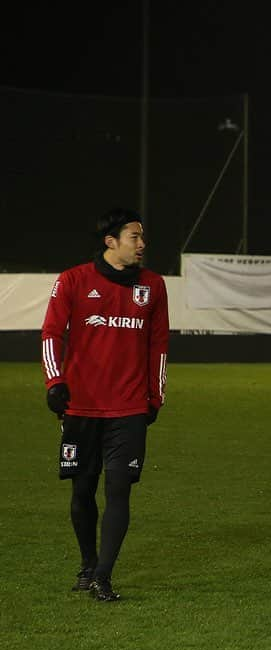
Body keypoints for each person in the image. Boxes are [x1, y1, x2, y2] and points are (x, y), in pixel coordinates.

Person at [41, 208, 169, 601]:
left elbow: (159, 345)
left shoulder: (153, 286)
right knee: (82, 491)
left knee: (118, 490)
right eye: (135, 236)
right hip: (80, 408)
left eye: (143, 236)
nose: (142, 244)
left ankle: (103, 576)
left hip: (128, 409)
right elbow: (51, 333)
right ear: (110, 241)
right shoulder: (73, 281)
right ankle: (87, 564)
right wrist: (55, 383)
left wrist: (155, 396)